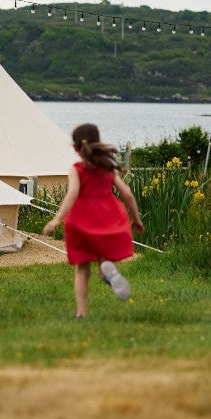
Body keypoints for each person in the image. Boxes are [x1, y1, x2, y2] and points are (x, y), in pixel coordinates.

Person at [43, 123, 145, 318]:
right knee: (102, 260)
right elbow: (128, 194)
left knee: (82, 269)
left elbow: (72, 193)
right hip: (106, 218)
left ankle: (81, 313)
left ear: (75, 148)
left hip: (81, 221)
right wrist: (136, 218)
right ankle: (107, 274)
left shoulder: (77, 169)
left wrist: (56, 219)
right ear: (97, 143)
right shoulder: (107, 168)